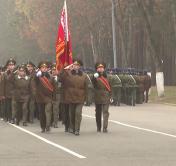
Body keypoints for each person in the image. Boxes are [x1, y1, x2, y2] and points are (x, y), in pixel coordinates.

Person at [60, 59, 88, 135]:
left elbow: (86, 88)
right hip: (70, 97)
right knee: (71, 114)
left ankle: (77, 129)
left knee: (78, 113)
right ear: (72, 65)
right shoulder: (68, 74)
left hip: (80, 97)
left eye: (77, 65)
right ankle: (72, 127)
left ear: (80, 66)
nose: (76, 66)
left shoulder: (84, 75)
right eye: (74, 65)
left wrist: (87, 99)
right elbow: (60, 79)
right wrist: (65, 69)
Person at [33, 61, 55, 133]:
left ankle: (48, 126)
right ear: (40, 68)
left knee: (48, 112)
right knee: (42, 113)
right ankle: (43, 127)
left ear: (47, 68)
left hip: (48, 97)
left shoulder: (51, 76)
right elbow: (34, 82)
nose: (44, 69)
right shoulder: (37, 76)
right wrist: (37, 75)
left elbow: (54, 87)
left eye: (45, 67)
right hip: (40, 97)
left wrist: (53, 98)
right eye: (42, 67)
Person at [92, 62, 112, 133]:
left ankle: (105, 127)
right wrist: (94, 78)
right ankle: (98, 127)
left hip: (106, 96)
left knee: (106, 112)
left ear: (104, 69)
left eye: (102, 68)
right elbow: (93, 85)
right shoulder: (95, 76)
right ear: (97, 69)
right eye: (99, 68)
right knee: (98, 113)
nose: (101, 69)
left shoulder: (108, 77)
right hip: (98, 96)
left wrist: (111, 96)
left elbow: (111, 87)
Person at [3, 58, 16, 122]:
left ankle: (13, 118)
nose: (11, 66)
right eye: (10, 65)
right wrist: (2, 94)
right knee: (8, 106)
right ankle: (8, 117)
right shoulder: (5, 74)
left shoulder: (17, 73)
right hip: (7, 92)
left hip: (15, 92)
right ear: (7, 66)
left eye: (12, 65)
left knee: (13, 106)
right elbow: (3, 84)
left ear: (14, 65)